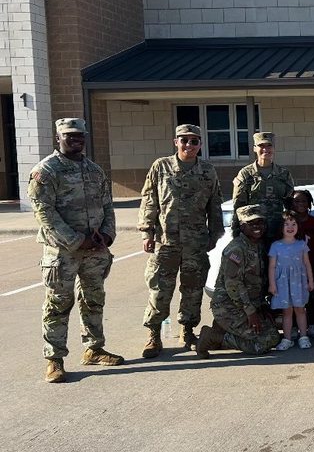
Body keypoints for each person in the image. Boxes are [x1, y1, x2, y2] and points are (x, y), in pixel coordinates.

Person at [29, 118, 123, 383]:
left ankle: (93, 349)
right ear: (58, 138)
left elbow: (107, 206)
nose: (76, 139)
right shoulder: (46, 171)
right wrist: (75, 240)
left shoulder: (94, 170)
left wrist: (107, 234)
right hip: (62, 252)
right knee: (58, 304)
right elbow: (44, 213)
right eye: (70, 135)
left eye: (80, 135)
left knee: (93, 299)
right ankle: (54, 360)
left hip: (95, 249)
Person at [139, 124, 224, 358]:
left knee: (193, 288)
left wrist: (215, 234)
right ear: (175, 142)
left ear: (200, 145)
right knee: (160, 289)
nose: (189, 145)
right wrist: (147, 231)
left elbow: (214, 204)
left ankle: (187, 330)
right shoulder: (161, 166)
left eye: (194, 141)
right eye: (184, 140)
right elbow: (149, 200)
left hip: (195, 242)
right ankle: (154, 335)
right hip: (165, 242)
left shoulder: (208, 171)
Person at [196, 205, 280, 358]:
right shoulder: (236, 249)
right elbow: (233, 285)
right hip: (229, 306)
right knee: (264, 342)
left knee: (273, 334)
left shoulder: (258, 245)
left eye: (260, 223)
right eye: (252, 224)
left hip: (248, 304)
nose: (257, 227)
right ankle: (213, 337)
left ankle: (222, 331)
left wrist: (260, 306)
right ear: (242, 226)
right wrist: (250, 312)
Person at [231, 132, 294, 241]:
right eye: (261, 146)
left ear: (274, 148)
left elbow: (290, 204)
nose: (265, 149)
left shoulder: (283, 174)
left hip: (277, 232)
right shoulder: (245, 174)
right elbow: (238, 206)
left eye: (269, 145)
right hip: (254, 233)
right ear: (254, 148)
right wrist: (236, 233)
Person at [268, 211, 314, 351]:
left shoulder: (301, 244)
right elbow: (272, 266)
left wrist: (310, 280)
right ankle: (287, 338)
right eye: (286, 224)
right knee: (287, 311)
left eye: (293, 224)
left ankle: (303, 336)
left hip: (299, 282)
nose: (290, 227)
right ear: (281, 227)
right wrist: (272, 284)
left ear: (298, 226)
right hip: (282, 284)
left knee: (300, 310)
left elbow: (307, 264)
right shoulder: (275, 245)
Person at [292, 189, 314, 338]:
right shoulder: (288, 223)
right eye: (297, 201)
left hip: (311, 265)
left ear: (309, 203)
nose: (301, 204)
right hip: (293, 268)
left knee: (312, 296)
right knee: (293, 296)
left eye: (304, 201)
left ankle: (312, 324)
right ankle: (293, 326)